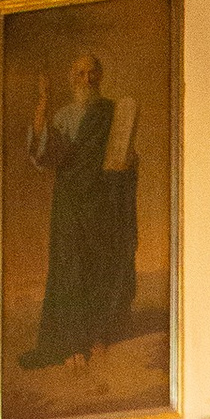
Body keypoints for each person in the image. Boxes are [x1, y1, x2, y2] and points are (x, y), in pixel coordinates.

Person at [22, 48, 138, 375]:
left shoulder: (113, 112)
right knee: (71, 269)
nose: (86, 79)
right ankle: (73, 342)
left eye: (92, 73)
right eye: (80, 74)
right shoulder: (61, 117)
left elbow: (125, 155)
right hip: (71, 204)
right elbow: (42, 157)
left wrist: (128, 163)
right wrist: (42, 104)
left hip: (103, 202)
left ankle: (98, 334)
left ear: (100, 76)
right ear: (72, 78)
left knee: (101, 265)